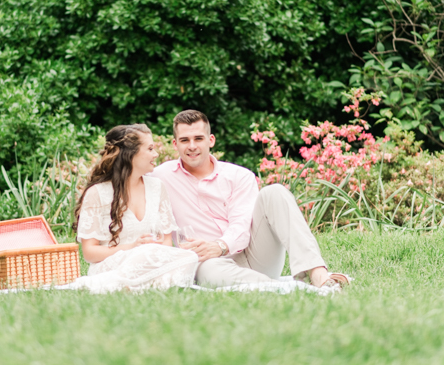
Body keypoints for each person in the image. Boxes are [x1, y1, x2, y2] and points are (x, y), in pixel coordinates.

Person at [150, 110, 349, 289]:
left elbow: (242, 224)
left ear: (211, 140)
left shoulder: (239, 176)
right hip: (210, 264)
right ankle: (288, 288)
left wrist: (220, 246)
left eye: (198, 139)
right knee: (207, 271)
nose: (192, 146)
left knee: (275, 192)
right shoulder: (160, 177)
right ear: (175, 144)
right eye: (185, 140)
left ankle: (317, 273)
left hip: (254, 256)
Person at [71, 123, 198, 293]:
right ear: (130, 154)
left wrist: (156, 248)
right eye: (150, 149)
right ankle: (126, 284)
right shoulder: (97, 193)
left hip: (150, 261)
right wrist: (132, 247)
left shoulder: (157, 187)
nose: (156, 154)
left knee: (190, 257)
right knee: (144, 254)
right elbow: (89, 253)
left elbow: (167, 241)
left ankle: (139, 286)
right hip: (113, 265)